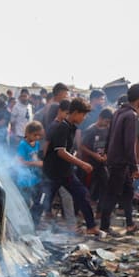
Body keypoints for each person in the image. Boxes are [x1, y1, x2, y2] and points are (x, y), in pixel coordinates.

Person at [41, 97, 98, 233]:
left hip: (65, 172)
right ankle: (30, 225)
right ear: (76, 112)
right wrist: (82, 163)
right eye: (83, 114)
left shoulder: (72, 128)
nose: (84, 118)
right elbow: (61, 152)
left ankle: (91, 227)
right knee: (43, 201)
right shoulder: (62, 127)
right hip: (53, 173)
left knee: (82, 194)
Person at [100, 83, 139, 236]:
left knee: (127, 193)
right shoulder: (131, 116)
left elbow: (109, 135)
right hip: (121, 162)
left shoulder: (119, 112)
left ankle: (130, 224)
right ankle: (104, 227)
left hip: (116, 160)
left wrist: (107, 152)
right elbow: (129, 144)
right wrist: (135, 166)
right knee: (112, 194)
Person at [79, 107, 113, 206]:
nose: (107, 124)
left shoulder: (108, 130)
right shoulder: (91, 130)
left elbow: (109, 145)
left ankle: (100, 209)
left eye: (109, 122)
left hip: (102, 163)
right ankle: (83, 207)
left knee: (105, 184)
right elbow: (81, 146)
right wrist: (94, 154)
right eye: (106, 121)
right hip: (90, 163)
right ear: (100, 118)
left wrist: (106, 154)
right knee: (87, 185)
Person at [15, 120, 45, 224]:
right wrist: (35, 163)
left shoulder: (36, 143)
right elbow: (20, 162)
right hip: (25, 180)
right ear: (27, 133)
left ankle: (34, 222)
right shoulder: (23, 145)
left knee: (39, 201)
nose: (37, 138)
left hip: (35, 178)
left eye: (39, 135)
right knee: (25, 203)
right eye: (35, 135)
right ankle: (22, 223)